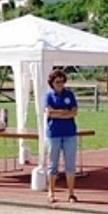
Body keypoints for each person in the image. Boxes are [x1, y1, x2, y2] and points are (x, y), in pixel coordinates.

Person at [44, 69, 79, 204]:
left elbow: (74, 112)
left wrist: (60, 113)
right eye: (57, 82)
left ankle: (71, 193)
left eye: (62, 81)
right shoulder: (48, 96)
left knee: (70, 165)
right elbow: (49, 113)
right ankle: (51, 192)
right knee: (53, 164)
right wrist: (64, 112)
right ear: (52, 83)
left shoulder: (69, 94)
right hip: (54, 133)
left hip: (70, 133)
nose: (60, 84)